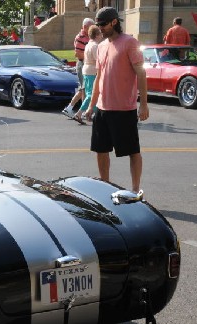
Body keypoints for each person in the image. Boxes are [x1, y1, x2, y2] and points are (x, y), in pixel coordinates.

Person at [83, 7, 148, 194]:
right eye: (98, 25)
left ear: (114, 22)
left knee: (133, 151)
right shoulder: (101, 46)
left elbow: (141, 73)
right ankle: (105, 186)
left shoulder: (130, 43)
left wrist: (143, 104)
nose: (100, 28)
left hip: (124, 109)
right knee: (100, 150)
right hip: (103, 109)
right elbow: (98, 78)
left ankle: (135, 190)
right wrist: (91, 106)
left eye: (103, 24)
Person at [62, 18, 95, 119]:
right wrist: (90, 56)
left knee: (84, 88)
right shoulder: (80, 37)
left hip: (86, 65)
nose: (93, 28)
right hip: (82, 64)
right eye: (91, 26)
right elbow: (78, 54)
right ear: (85, 27)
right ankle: (81, 111)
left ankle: (70, 108)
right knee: (85, 89)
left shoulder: (89, 37)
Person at [73, 25, 102, 124]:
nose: (102, 35)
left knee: (92, 93)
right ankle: (80, 113)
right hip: (92, 71)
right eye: (100, 33)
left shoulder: (89, 44)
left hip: (87, 70)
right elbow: (98, 60)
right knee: (91, 94)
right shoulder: (95, 46)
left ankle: (91, 113)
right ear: (97, 35)